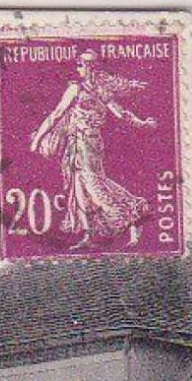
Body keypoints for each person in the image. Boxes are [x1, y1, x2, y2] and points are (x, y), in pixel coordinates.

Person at [29, 50, 157, 250]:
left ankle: (133, 214)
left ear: (88, 67)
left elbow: (57, 115)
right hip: (77, 142)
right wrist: (142, 123)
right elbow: (58, 115)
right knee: (78, 187)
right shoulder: (86, 90)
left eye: (80, 65)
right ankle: (89, 234)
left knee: (93, 185)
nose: (77, 69)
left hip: (88, 143)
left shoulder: (86, 90)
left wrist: (37, 140)